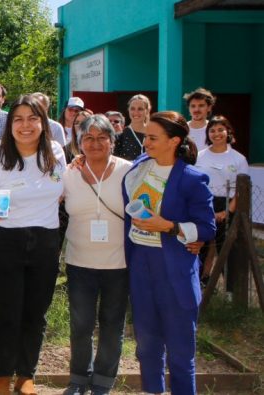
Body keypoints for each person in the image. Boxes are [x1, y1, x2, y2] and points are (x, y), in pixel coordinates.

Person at [0, 95, 67, 395]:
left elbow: (62, 191)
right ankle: (2, 374)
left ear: (43, 122)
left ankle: (26, 374)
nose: (25, 125)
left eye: (32, 118)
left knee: (35, 313)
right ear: (9, 124)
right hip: (4, 240)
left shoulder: (55, 153)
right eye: (18, 119)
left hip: (44, 240)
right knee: (4, 312)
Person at [122, 111, 215, 395]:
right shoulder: (139, 167)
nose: (145, 142)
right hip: (140, 264)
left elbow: (207, 228)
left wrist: (170, 226)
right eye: (146, 136)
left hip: (173, 269)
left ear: (174, 141)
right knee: (147, 345)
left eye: (152, 137)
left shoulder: (192, 179)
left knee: (180, 348)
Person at [61, 116, 131, 395]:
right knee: (81, 325)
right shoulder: (68, 173)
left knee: (113, 324)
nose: (95, 143)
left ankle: (103, 380)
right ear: (79, 144)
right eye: (88, 138)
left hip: (119, 263)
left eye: (102, 137)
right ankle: (79, 378)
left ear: (113, 141)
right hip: (79, 262)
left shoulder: (129, 172)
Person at [195, 115, 248, 286]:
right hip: (203, 205)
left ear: (228, 131)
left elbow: (242, 188)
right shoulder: (200, 156)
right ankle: (200, 282)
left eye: (220, 130)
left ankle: (231, 290)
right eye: (212, 130)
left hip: (228, 205)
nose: (216, 134)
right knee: (200, 245)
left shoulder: (238, 158)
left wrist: (227, 211)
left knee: (226, 248)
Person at [113, 94, 151, 161]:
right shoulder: (119, 137)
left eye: (140, 109)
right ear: (128, 110)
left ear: (147, 111)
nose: (136, 112)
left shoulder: (154, 135)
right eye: (132, 109)